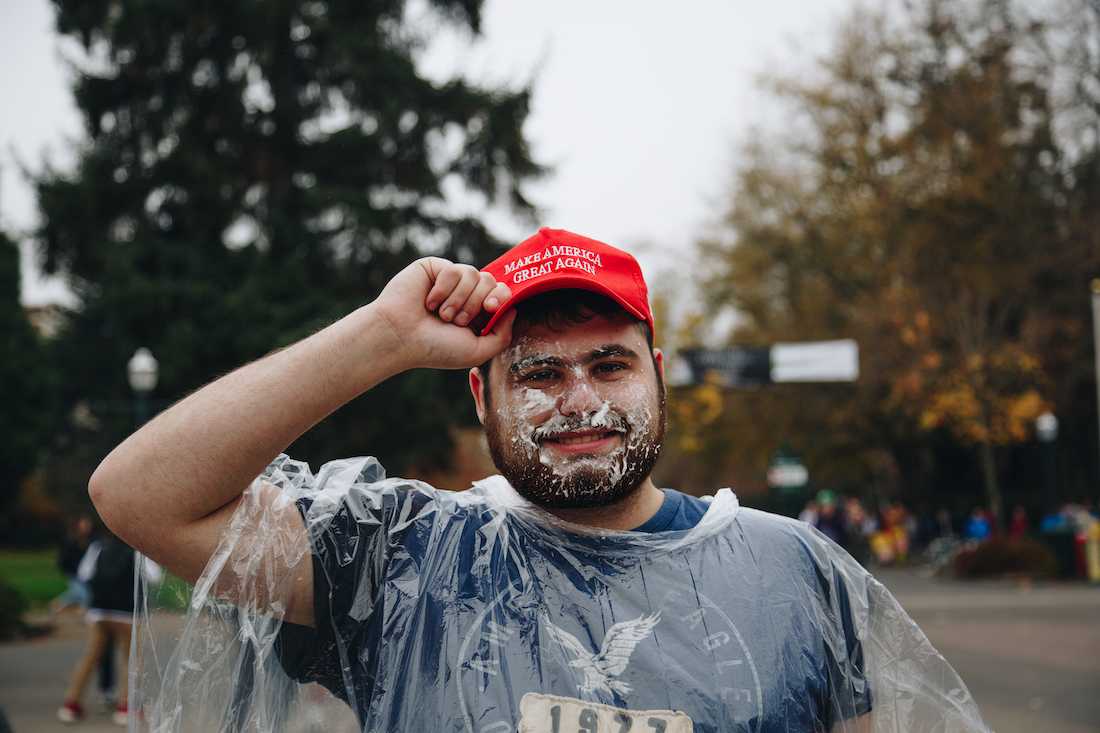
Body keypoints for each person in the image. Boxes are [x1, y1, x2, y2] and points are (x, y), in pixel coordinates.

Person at [90, 228, 988, 732]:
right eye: (539, 373)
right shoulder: (400, 558)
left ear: (659, 375)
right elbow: (138, 497)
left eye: (609, 364)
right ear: (482, 394)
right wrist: (381, 337)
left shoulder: (793, 569)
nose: (579, 402)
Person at [57, 532, 161, 725]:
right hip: (127, 612)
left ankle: (71, 704)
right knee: (131, 659)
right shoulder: (138, 547)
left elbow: (84, 573)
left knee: (90, 657)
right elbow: (154, 577)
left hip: (100, 610)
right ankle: (125, 707)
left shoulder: (98, 546)